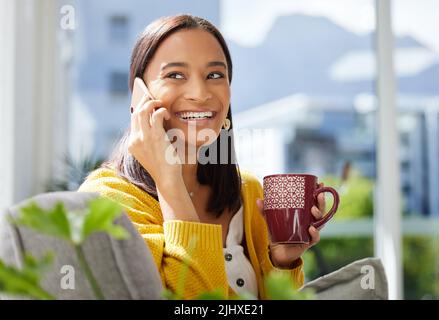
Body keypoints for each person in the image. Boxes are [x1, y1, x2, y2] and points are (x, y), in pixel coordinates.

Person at [78, 14, 327, 299]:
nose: (200, 93)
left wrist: (282, 262)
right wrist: (170, 184)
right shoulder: (105, 203)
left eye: (215, 75)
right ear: (139, 95)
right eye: (175, 75)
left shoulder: (249, 192)